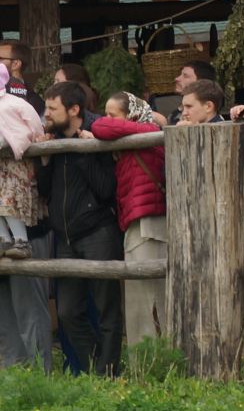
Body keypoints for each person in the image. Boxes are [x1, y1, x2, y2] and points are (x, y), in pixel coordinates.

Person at [35, 83, 123, 373]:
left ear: (74, 110)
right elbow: (46, 190)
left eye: (52, 109)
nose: (45, 114)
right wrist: (45, 160)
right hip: (65, 237)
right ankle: (95, 369)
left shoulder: (98, 132)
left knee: (107, 309)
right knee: (67, 312)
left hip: (98, 230)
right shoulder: (53, 137)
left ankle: (108, 374)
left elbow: (105, 188)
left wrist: (84, 150)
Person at [90, 93, 167, 348]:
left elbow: (99, 127)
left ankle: (149, 360)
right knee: (143, 295)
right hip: (140, 220)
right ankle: (151, 359)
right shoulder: (144, 135)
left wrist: (144, 128)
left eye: (113, 114)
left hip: (147, 224)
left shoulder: (147, 136)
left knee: (144, 298)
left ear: (130, 114)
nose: (107, 118)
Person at [0, 84, 52, 369]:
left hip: (28, 232)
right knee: (4, 316)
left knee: (29, 307)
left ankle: (39, 374)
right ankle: (12, 371)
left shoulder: (18, 101)